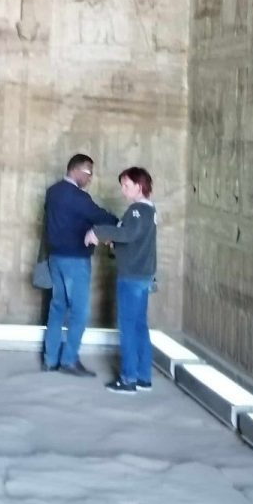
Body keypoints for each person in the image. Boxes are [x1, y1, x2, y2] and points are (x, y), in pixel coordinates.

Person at [42, 153, 117, 376]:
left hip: (55, 258)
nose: (90, 178)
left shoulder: (52, 192)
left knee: (57, 308)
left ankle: (50, 359)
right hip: (75, 260)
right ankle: (69, 360)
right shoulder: (78, 197)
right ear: (75, 170)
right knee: (79, 311)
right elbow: (100, 216)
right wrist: (120, 225)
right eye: (88, 173)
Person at [86, 166, 157, 392]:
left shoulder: (137, 210)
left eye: (126, 185)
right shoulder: (149, 211)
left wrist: (98, 232)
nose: (123, 190)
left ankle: (128, 379)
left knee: (127, 327)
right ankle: (143, 377)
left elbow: (128, 234)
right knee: (139, 326)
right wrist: (115, 241)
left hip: (132, 276)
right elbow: (134, 240)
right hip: (143, 275)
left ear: (139, 186)